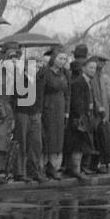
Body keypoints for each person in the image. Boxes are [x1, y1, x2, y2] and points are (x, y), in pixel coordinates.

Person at [10, 44, 44, 184]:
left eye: (38, 67)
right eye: (34, 66)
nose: (36, 69)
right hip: (22, 113)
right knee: (21, 142)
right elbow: (14, 98)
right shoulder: (19, 80)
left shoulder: (38, 81)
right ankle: (19, 172)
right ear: (26, 66)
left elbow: (40, 98)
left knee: (36, 143)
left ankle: (34, 171)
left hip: (34, 114)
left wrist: (38, 111)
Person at [63, 55, 96, 180]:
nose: (93, 70)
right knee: (77, 145)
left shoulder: (88, 82)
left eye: (94, 68)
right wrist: (82, 116)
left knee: (81, 145)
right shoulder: (78, 82)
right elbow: (76, 102)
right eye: (91, 67)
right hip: (78, 119)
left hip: (85, 117)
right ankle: (74, 169)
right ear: (84, 68)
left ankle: (77, 168)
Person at [40, 48, 69, 180]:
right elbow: (40, 92)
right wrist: (40, 110)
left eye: (64, 59)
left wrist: (67, 111)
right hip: (48, 106)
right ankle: (44, 166)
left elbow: (68, 93)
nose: (62, 61)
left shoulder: (65, 74)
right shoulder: (46, 73)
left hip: (60, 107)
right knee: (48, 136)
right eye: (60, 58)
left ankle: (53, 166)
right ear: (53, 59)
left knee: (58, 137)